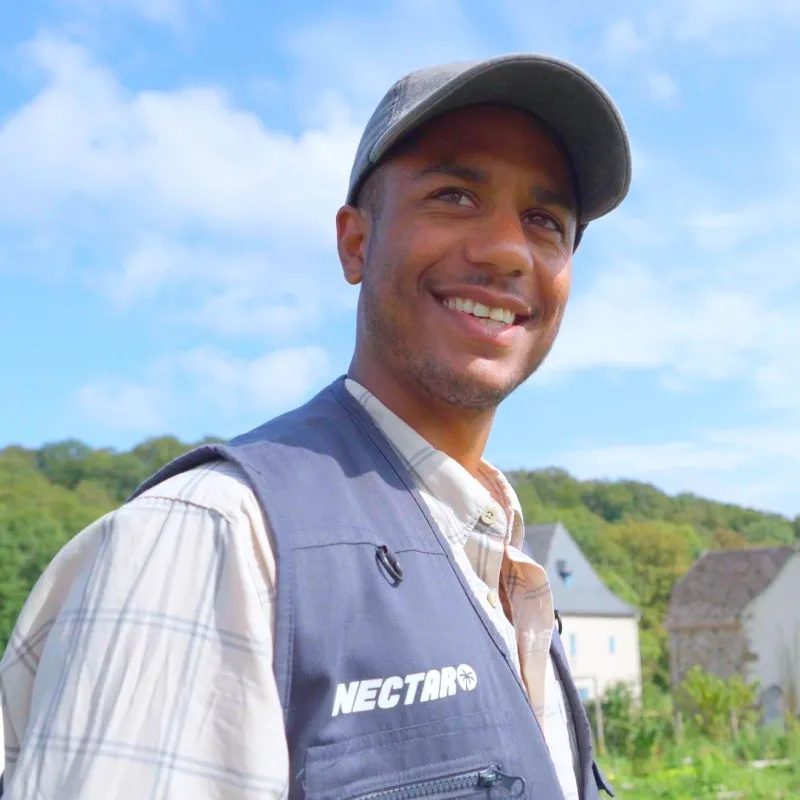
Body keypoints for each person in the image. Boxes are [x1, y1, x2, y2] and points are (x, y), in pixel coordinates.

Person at [0, 54, 631, 799]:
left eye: (545, 221)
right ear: (355, 243)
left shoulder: (509, 574)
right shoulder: (215, 539)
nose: (506, 250)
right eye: (454, 195)